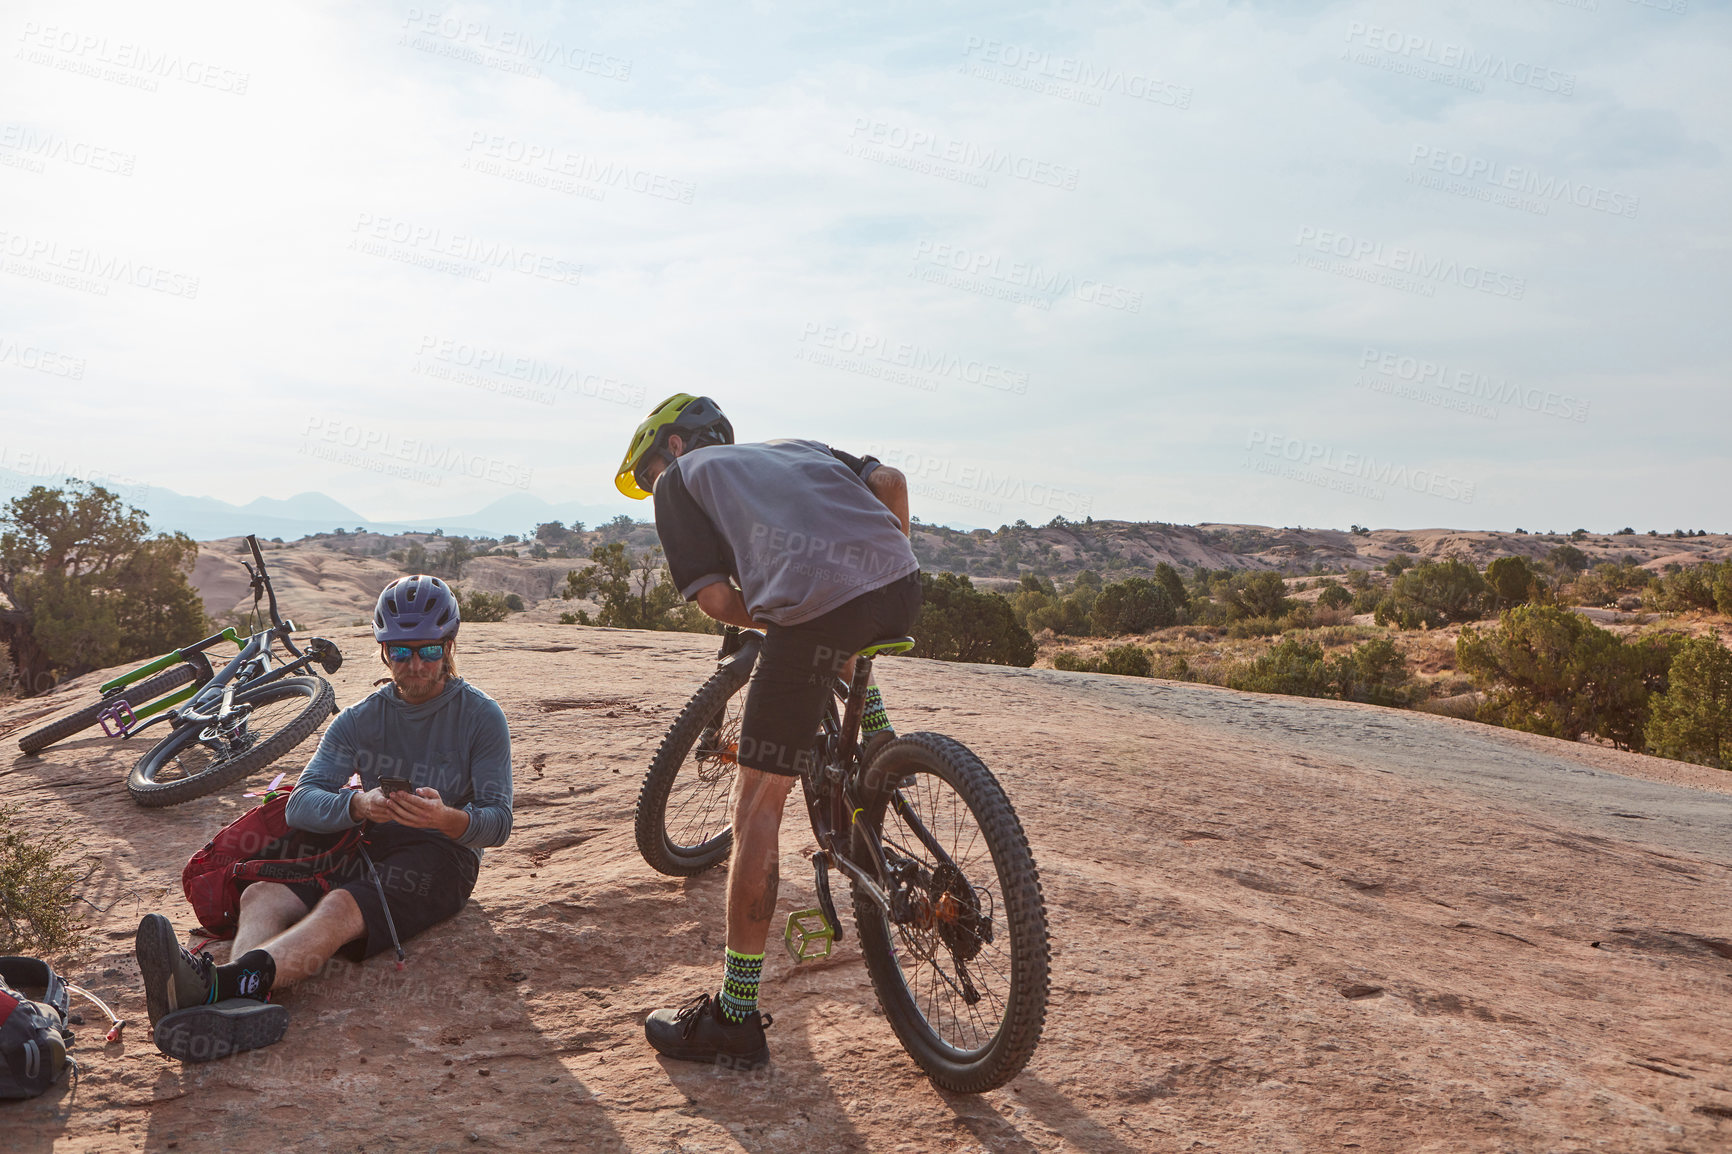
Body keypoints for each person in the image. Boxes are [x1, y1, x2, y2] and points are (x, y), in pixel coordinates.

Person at [614, 394, 920, 1067]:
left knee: (757, 804)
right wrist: (879, 567)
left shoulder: (681, 481)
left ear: (671, 446)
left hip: (818, 611)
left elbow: (717, 600)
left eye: (645, 473)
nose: (649, 487)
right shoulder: (797, 450)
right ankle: (881, 755)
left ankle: (735, 1014)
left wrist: (783, 621)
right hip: (903, 585)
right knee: (845, 635)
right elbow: (890, 482)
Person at [134, 574, 514, 1061]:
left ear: (449, 645)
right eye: (400, 652)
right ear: (383, 652)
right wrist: (357, 805)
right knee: (262, 891)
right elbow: (302, 801)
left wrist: (444, 819)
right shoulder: (361, 718)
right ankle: (240, 1001)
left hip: (443, 855)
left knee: (339, 907)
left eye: (428, 651)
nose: (415, 665)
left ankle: (220, 984)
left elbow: (498, 821)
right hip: (366, 838)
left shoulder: (481, 716)